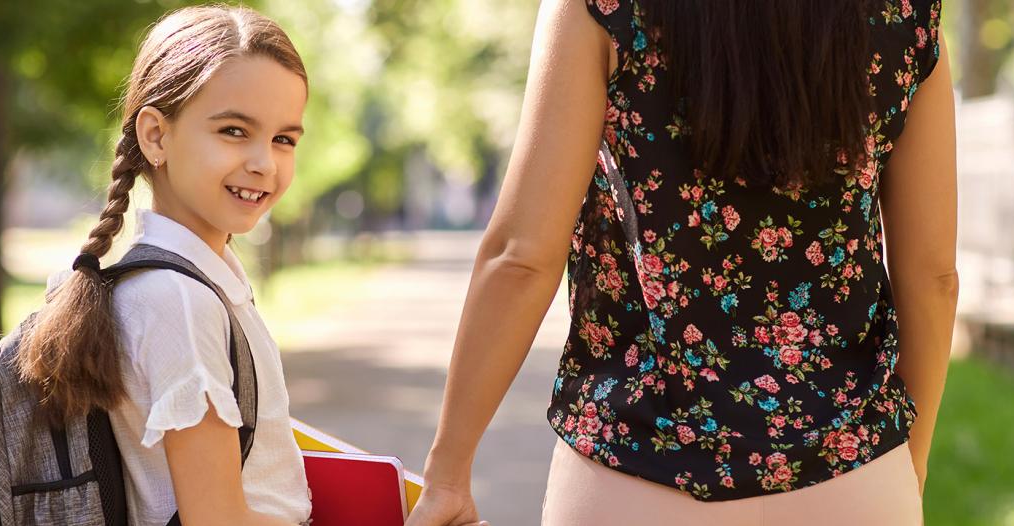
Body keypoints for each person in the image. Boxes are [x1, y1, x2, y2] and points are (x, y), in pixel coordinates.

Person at [408, 0, 955, 523]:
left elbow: (521, 258)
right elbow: (933, 279)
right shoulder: (906, 16)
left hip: (633, 473)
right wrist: (911, 463)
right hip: (854, 479)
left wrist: (448, 475)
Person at [20, 5, 312, 525]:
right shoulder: (180, 300)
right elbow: (216, 519)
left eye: (283, 139)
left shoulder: (183, 283)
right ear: (156, 135)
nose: (264, 162)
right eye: (233, 131)